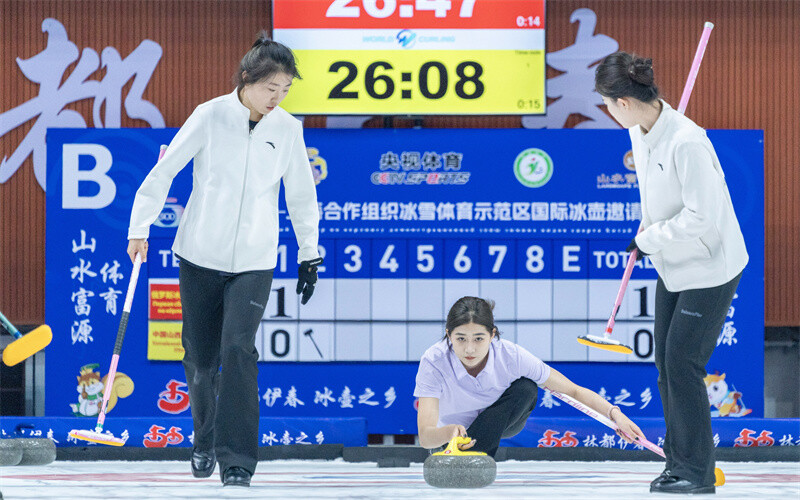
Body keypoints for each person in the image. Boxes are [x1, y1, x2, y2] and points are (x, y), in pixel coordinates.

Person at [127, 32, 322, 487]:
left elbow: (301, 195)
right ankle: (203, 440)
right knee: (199, 360)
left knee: (238, 351)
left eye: (286, 90)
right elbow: (165, 169)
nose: (278, 98)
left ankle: (237, 460)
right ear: (247, 80)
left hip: (254, 262)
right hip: (198, 255)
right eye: (271, 88)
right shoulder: (210, 115)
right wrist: (140, 227)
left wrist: (309, 253)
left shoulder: (288, 128)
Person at [594, 52, 748, 494]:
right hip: (674, 263)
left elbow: (702, 216)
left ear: (622, 101)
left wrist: (650, 239)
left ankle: (696, 473)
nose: (607, 112)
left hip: (710, 264)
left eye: (606, 104)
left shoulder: (687, 141)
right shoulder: (641, 133)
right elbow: (664, 198)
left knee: (683, 363)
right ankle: (677, 463)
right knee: (667, 365)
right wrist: (652, 229)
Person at [415, 296, 646, 459]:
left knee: (526, 387)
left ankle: (476, 458)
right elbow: (425, 437)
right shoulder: (434, 361)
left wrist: (616, 416)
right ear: (448, 335)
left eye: (478, 339)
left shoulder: (511, 356)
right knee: (447, 444)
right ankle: (467, 456)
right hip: (450, 444)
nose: (469, 349)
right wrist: (447, 432)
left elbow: (573, 391)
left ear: (492, 334)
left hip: (503, 422)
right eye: (460, 339)